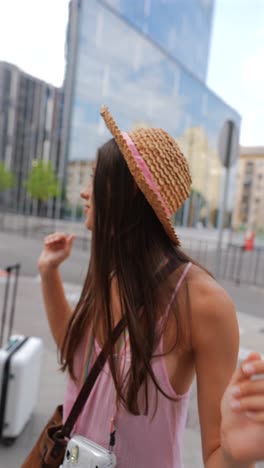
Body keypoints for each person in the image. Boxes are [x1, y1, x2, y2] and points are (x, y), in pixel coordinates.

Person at [38, 106, 264, 467]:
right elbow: (81, 362)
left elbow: (216, 455)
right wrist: (49, 274)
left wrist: (237, 453)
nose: (83, 192)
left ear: (125, 196)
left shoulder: (205, 304)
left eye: (94, 177)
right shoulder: (114, 272)